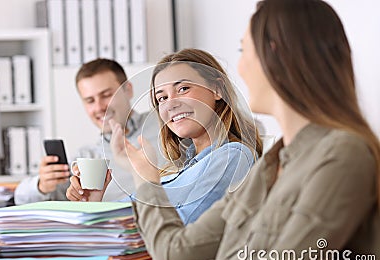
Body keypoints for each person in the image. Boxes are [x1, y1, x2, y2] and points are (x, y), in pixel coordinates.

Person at [126, 0, 380, 260]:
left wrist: (148, 182)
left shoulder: (342, 156)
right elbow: (177, 252)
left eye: (242, 50)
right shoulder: (272, 165)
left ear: (275, 54)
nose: (240, 66)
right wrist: (146, 181)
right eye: (161, 97)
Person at [67, 48, 263, 225]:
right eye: (162, 98)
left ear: (217, 89)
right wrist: (94, 203)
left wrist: (144, 178)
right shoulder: (180, 171)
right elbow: (127, 218)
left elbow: (180, 234)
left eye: (183, 89)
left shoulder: (233, 155)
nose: (171, 104)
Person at [14, 58, 160, 204]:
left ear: (128, 90)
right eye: (90, 100)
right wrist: (42, 185)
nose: (99, 107)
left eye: (106, 95)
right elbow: (21, 198)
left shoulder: (164, 122)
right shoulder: (87, 159)